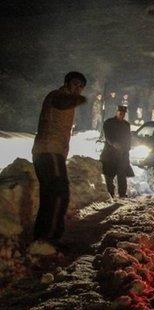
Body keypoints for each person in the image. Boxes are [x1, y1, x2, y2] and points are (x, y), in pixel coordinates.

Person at [32, 71, 87, 243]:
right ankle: (49, 238)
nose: (78, 88)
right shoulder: (58, 96)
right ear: (67, 83)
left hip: (47, 152)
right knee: (59, 194)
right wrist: (79, 99)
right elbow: (62, 102)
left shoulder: (65, 99)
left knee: (49, 195)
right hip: (50, 151)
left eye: (81, 86)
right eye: (76, 83)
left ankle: (41, 237)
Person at [101, 105, 134, 198]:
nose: (122, 115)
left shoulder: (126, 124)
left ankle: (122, 194)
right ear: (117, 112)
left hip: (122, 154)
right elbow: (108, 137)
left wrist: (128, 148)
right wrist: (115, 144)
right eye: (120, 113)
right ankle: (110, 194)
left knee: (122, 174)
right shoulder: (108, 123)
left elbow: (128, 138)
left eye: (123, 113)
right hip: (110, 154)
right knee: (109, 175)